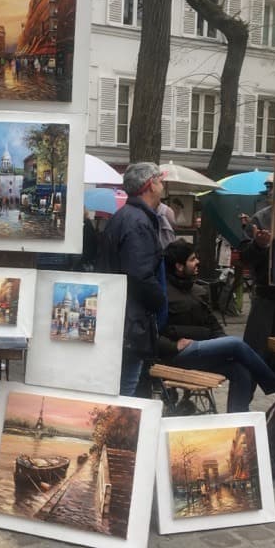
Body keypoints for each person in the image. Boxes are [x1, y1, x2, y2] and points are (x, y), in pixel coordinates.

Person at [157, 241, 275, 412]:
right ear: (179, 266)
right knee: (235, 343)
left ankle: (236, 421)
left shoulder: (198, 290)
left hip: (202, 351)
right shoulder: (162, 293)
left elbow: (213, 325)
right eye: (193, 259)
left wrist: (220, 343)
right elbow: (152, 333)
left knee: (240, 369)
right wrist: (174, 345)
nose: (197, 263)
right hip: (176, 356)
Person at [98, 162, 168, 397]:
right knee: (125, 389)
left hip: (124, 316)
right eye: (160, 179)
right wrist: (160, 300)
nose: (163, 184)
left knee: (122, 385)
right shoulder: (137, 221)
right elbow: (139, 274)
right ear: (150, 185)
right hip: (130, 320)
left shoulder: (127, 217)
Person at [240, 175, 275, 378]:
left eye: (274, 187)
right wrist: (259, 245)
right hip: (266, 298)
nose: (271, 192)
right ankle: (240, 407)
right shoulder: (260, 218)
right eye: (269, 188)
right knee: (250, 360)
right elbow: (245, 257)